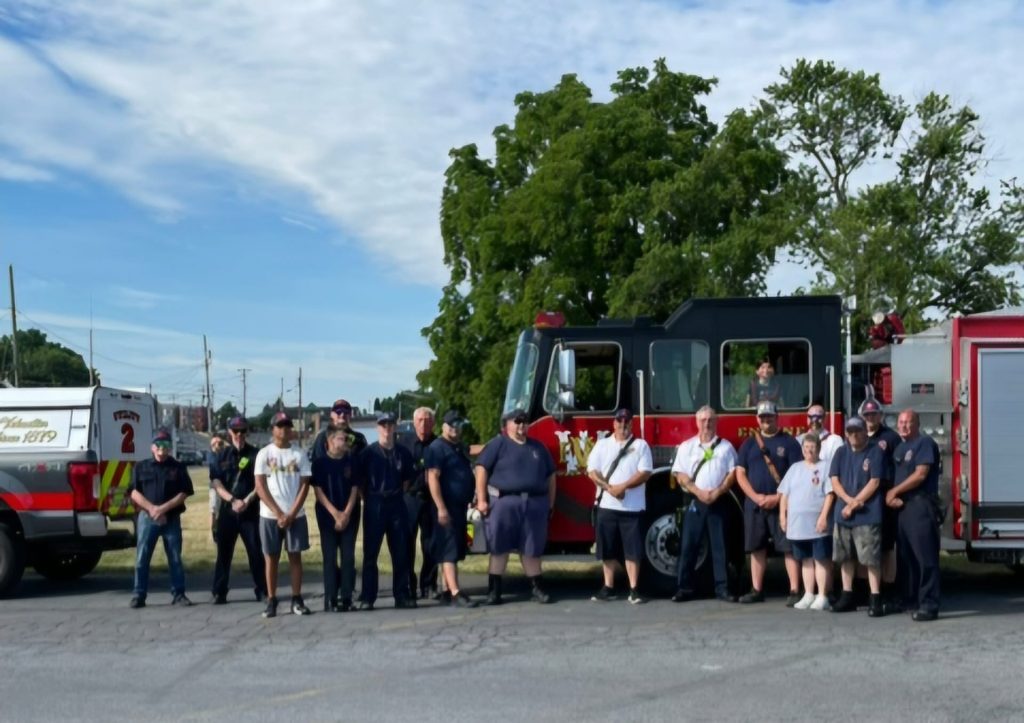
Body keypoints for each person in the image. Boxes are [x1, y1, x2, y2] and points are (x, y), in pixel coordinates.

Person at [475, 408, 556, 605]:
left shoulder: (538, 447)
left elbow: (551, 476)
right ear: (507, 424)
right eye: (517, 421)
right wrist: (482, 499)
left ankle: (537, 589)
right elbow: (481, 469)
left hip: (535, 504)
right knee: (499, 548)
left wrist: (550, 504)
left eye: (525, 421)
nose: (521, 425)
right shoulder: (498, 444)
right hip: (504, 503)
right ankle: (494, 591)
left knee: (532, 549)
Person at [734, 400, 802, 604]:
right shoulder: (749, 444)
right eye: (762, 417)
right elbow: (740, 474)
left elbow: (797, 475)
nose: (766, 420)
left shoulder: (789, 443)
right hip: (755, 505)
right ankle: (756, 589)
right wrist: (755, 497)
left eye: (769, 417)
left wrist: (776, 498)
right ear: (757, 419)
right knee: (757, 548)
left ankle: (794, 590)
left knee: (788, 547)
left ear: (777, 417)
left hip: (781, 504)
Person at [670, 405, 738, 603]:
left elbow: (732, 473)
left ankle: (723, 589)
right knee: (688, 546)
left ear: (716, 422)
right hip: (695, 502)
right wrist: (699, 492)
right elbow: (680, 474)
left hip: (719, 501)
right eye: (703, 420)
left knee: (720, 547)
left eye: (710, 420)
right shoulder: (687, 447)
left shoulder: (726, 447)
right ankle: (684, 588)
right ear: (696, 422)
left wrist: (716, 492)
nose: (707, 424)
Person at [586, 408, 653, 605]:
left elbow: (645, 472)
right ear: (613, 423)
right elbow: (592, 471)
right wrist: (609, 488)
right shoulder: (602, 445)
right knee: (607, 549)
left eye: (627, 422)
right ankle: (608, 587)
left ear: (632, 424)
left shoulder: (641, 446)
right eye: (619, 421)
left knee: (633, 550)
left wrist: (623, 486)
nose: (623, 425)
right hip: (607, 505)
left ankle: (634, 589)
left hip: (632, 507)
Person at [254, 412, 312, 618]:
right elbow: (260, 486)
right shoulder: (264, 454)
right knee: (271, 557)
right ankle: (272, 599)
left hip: (295, 514)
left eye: (287, 426)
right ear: (273, 429)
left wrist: (291, 513)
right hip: (270, 515)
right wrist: (278, 513)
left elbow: (305, 486)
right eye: (280, 426)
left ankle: (297, 598)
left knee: (295, 557)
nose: (284, 429)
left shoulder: (299, 454)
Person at [129, 429, 195, 608]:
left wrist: (163, 509)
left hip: (171, 519)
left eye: (165, 445)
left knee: (175, 557)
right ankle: (139, 594)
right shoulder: (141, 467)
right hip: (147, 518)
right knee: (142, 557)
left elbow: (184, 493)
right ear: (152, 447)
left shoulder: (178, 467)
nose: (162, 448)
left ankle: (179, 594)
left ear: (169, 448)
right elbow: (134, 492)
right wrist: (152, 509)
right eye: (158, 445)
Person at [357, 411, 416, 610]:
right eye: (383, 424)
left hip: (397, 503)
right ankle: (368, 597)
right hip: (375, 503)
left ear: (395, 426)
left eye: (390, 424)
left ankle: (401, 595)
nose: (387, 428)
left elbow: (407, 481)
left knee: (400, 552)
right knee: (370, 553)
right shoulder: (368, 453)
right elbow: (361, 483)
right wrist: (371, 499)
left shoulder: (404, 453)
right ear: (377, 427)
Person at [888, 409, 941, 622]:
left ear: (917, 424)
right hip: (903, 508)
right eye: (900, 422)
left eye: (909, 422)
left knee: (925, 557)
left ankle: (929, 604)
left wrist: (894, 492)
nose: (904, 425)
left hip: (921, 505)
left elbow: (921, 474)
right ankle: (910, 600)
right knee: (906, 558)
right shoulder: (900, 447)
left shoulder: (924, 443)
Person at [829, 416, 885, 616]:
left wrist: (853, 505)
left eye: (858, 431)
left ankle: (875, 598)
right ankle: (847, 595)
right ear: (846, 433)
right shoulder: (841, 452)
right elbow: (834, 480)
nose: (854, 435)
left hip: (867, 515)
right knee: (845, 557)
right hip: (843, 514)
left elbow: (875, 482)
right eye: (850, 431)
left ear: (864, 431)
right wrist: (847, 501)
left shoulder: (875, 451)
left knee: (870, 559)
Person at [210, 416, 267, 604]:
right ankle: (220, 591)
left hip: (250, 511)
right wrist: (233, 500)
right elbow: (217, 483)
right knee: (224, 554)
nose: (240, 435)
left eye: (243, 431)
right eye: (236, 431)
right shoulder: (221, 456)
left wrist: (247, 500)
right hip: (228, 512)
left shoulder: (256, 454)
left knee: (255, 552)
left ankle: (262, 590)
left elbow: (261, 483)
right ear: (230, 433)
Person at [425, 410, 479, 608]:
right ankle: (456, 592)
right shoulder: (437, 448)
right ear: (443, 426)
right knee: (449, 550)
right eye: (452, 425)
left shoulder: (459, 447)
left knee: (455, 548)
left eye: (459, 425)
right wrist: (440, 508)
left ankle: (447, 589)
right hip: (445, 506)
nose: (456, 428)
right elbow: (432, 478)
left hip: (459, 506)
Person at [779, 434, 834, 611]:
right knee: (805, 560)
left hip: (817, 523)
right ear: (802, 449)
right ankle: (809, 593)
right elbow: (784, 495)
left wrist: (824, 516)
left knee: (820, 559)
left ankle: (823, 595)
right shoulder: (795, 468)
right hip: (797, 524)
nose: (809, 450)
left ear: (818, 448)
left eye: (812, 447)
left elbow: (830, 495)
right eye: (806, 447)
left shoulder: (825, 467)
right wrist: (782, 515)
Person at [311, 424, 360, 612]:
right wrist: (335, 514)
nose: (345, 441)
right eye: (341, 438)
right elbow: (318, 492)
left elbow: (355, 489)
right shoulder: (320, 463)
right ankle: (330, 598)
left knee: (348, 558)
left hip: (350, 517)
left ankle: (347, 597)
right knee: (329, 558)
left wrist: (346, 513)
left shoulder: (352, 461)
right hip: (327, 517)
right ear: (330, 441)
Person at [860, 398, 902, 610]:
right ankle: (867, 590)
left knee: (887, 547)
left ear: (881, 415)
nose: (870, 418)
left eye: (874, 414)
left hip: (883, 497)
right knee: (865, 546)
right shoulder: (856, 436)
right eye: (867, 415)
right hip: (863, 499)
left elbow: (900, 468)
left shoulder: (891, 438)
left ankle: (890, 589)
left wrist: (894, 492)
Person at [400, 406, 439, 601]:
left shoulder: (439, 444)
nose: (424, 424)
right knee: (407, 543)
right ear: (414, 422)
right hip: (410, 498)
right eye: (420, 420)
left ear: (433, 423)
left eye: (428, 420)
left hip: (432, 499)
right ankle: (409, 584)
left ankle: (429, 584)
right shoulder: (404, 444)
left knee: (431, 544)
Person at [799, 404, 845, 469]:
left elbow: (838, 467)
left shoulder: (835, 440)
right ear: (807, 418)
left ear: (825, 418)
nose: (814, 420)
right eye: (811, 417)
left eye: (818, 417)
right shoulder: (799, 439)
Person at [208, 434, 226, 542]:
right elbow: (216, 465)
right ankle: (213, 532)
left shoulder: (226, 454)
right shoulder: (211, 455)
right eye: (215, 444)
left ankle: (222, 530)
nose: (218, 445)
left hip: (226, 485)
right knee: (214, 508)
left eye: (220, 443)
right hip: (215, 486)